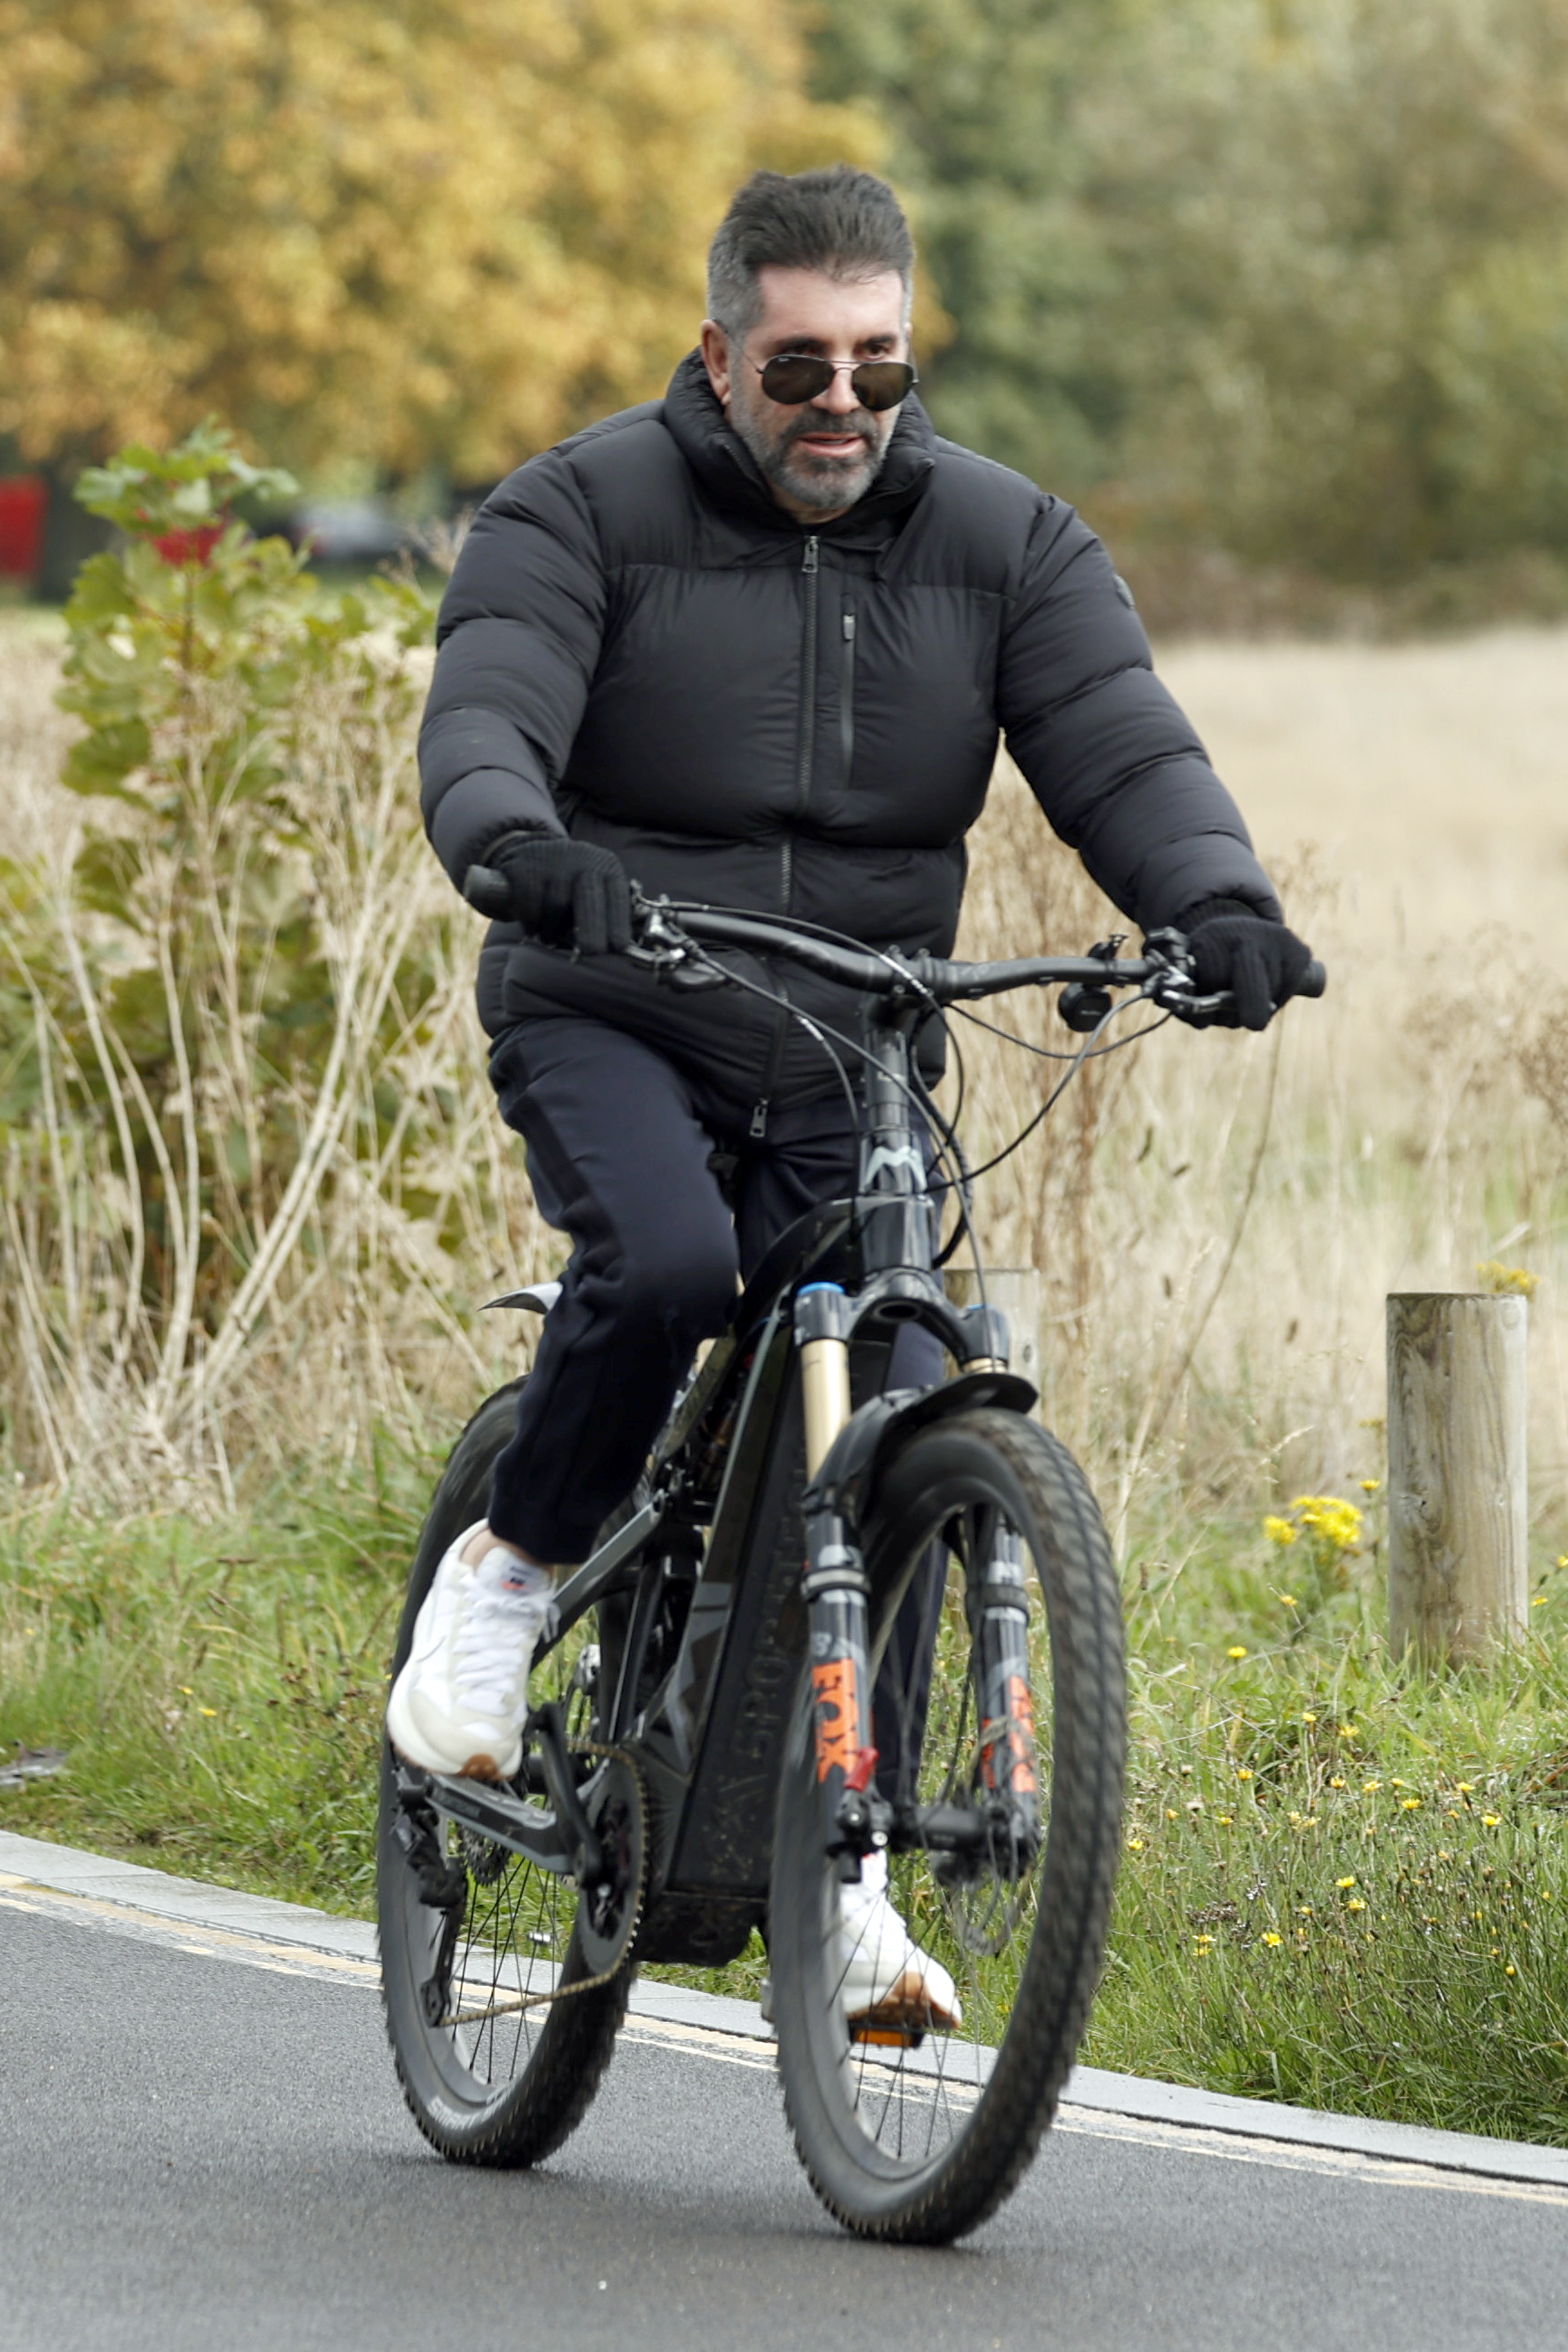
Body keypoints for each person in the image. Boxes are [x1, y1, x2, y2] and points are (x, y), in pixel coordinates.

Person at [387, 165, 1311, 2026]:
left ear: (911, 357)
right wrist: (521, 846)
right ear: (721, 353)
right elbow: (486, 710)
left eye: (877, 368)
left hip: (856, 1038)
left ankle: (857, 1886)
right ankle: (507, 1579)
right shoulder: (579, 510)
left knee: (888, 1404)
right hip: (619, 997)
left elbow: (1121, 744)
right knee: (660, 1267)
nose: (840, 407)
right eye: (799, 365)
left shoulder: (1007, 543)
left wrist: (1217, 907)